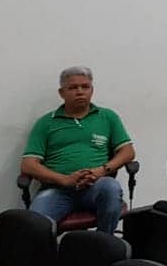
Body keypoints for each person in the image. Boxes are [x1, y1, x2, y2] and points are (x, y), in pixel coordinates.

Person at [22, 66, 135, 234]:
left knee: (110, 187)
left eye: (85, 87)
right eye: (73, 88)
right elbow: (28, 165)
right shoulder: (46, 123)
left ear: (92, 89)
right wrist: (64, 179)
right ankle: (47, 259)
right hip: (57, 190)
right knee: (34, 225)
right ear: (61, 92)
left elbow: (128, 152)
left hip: (96, 186)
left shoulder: (107, 117)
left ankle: (103, 246)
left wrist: (101, 171)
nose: (80, 92)